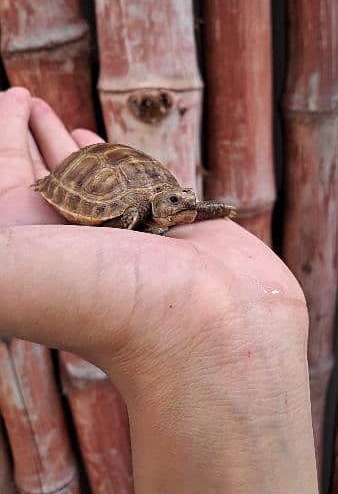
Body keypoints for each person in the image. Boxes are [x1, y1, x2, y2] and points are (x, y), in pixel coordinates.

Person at [0, 87, 318, 493]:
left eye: (185, 200)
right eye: (175, 201)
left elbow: (188, 205)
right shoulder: (134, 213)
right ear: (156, 207)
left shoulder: (175, 207)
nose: (184, 204)